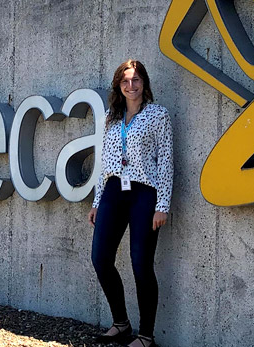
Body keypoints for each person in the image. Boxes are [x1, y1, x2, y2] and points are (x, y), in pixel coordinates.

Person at [87, 60, 174, 347]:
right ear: (118, 86)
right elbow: (105, 164)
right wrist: (97, 201)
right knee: (100, 258)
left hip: (143, 194)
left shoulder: (158, 115)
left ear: (144, 83)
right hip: (113, 191)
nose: (131, 85)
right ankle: (121, 324)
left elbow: (166, 162)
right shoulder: (112, 118)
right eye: (125, 81)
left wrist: (162, 205)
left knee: (141, 264)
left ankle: (146, 337)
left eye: (136, 80)